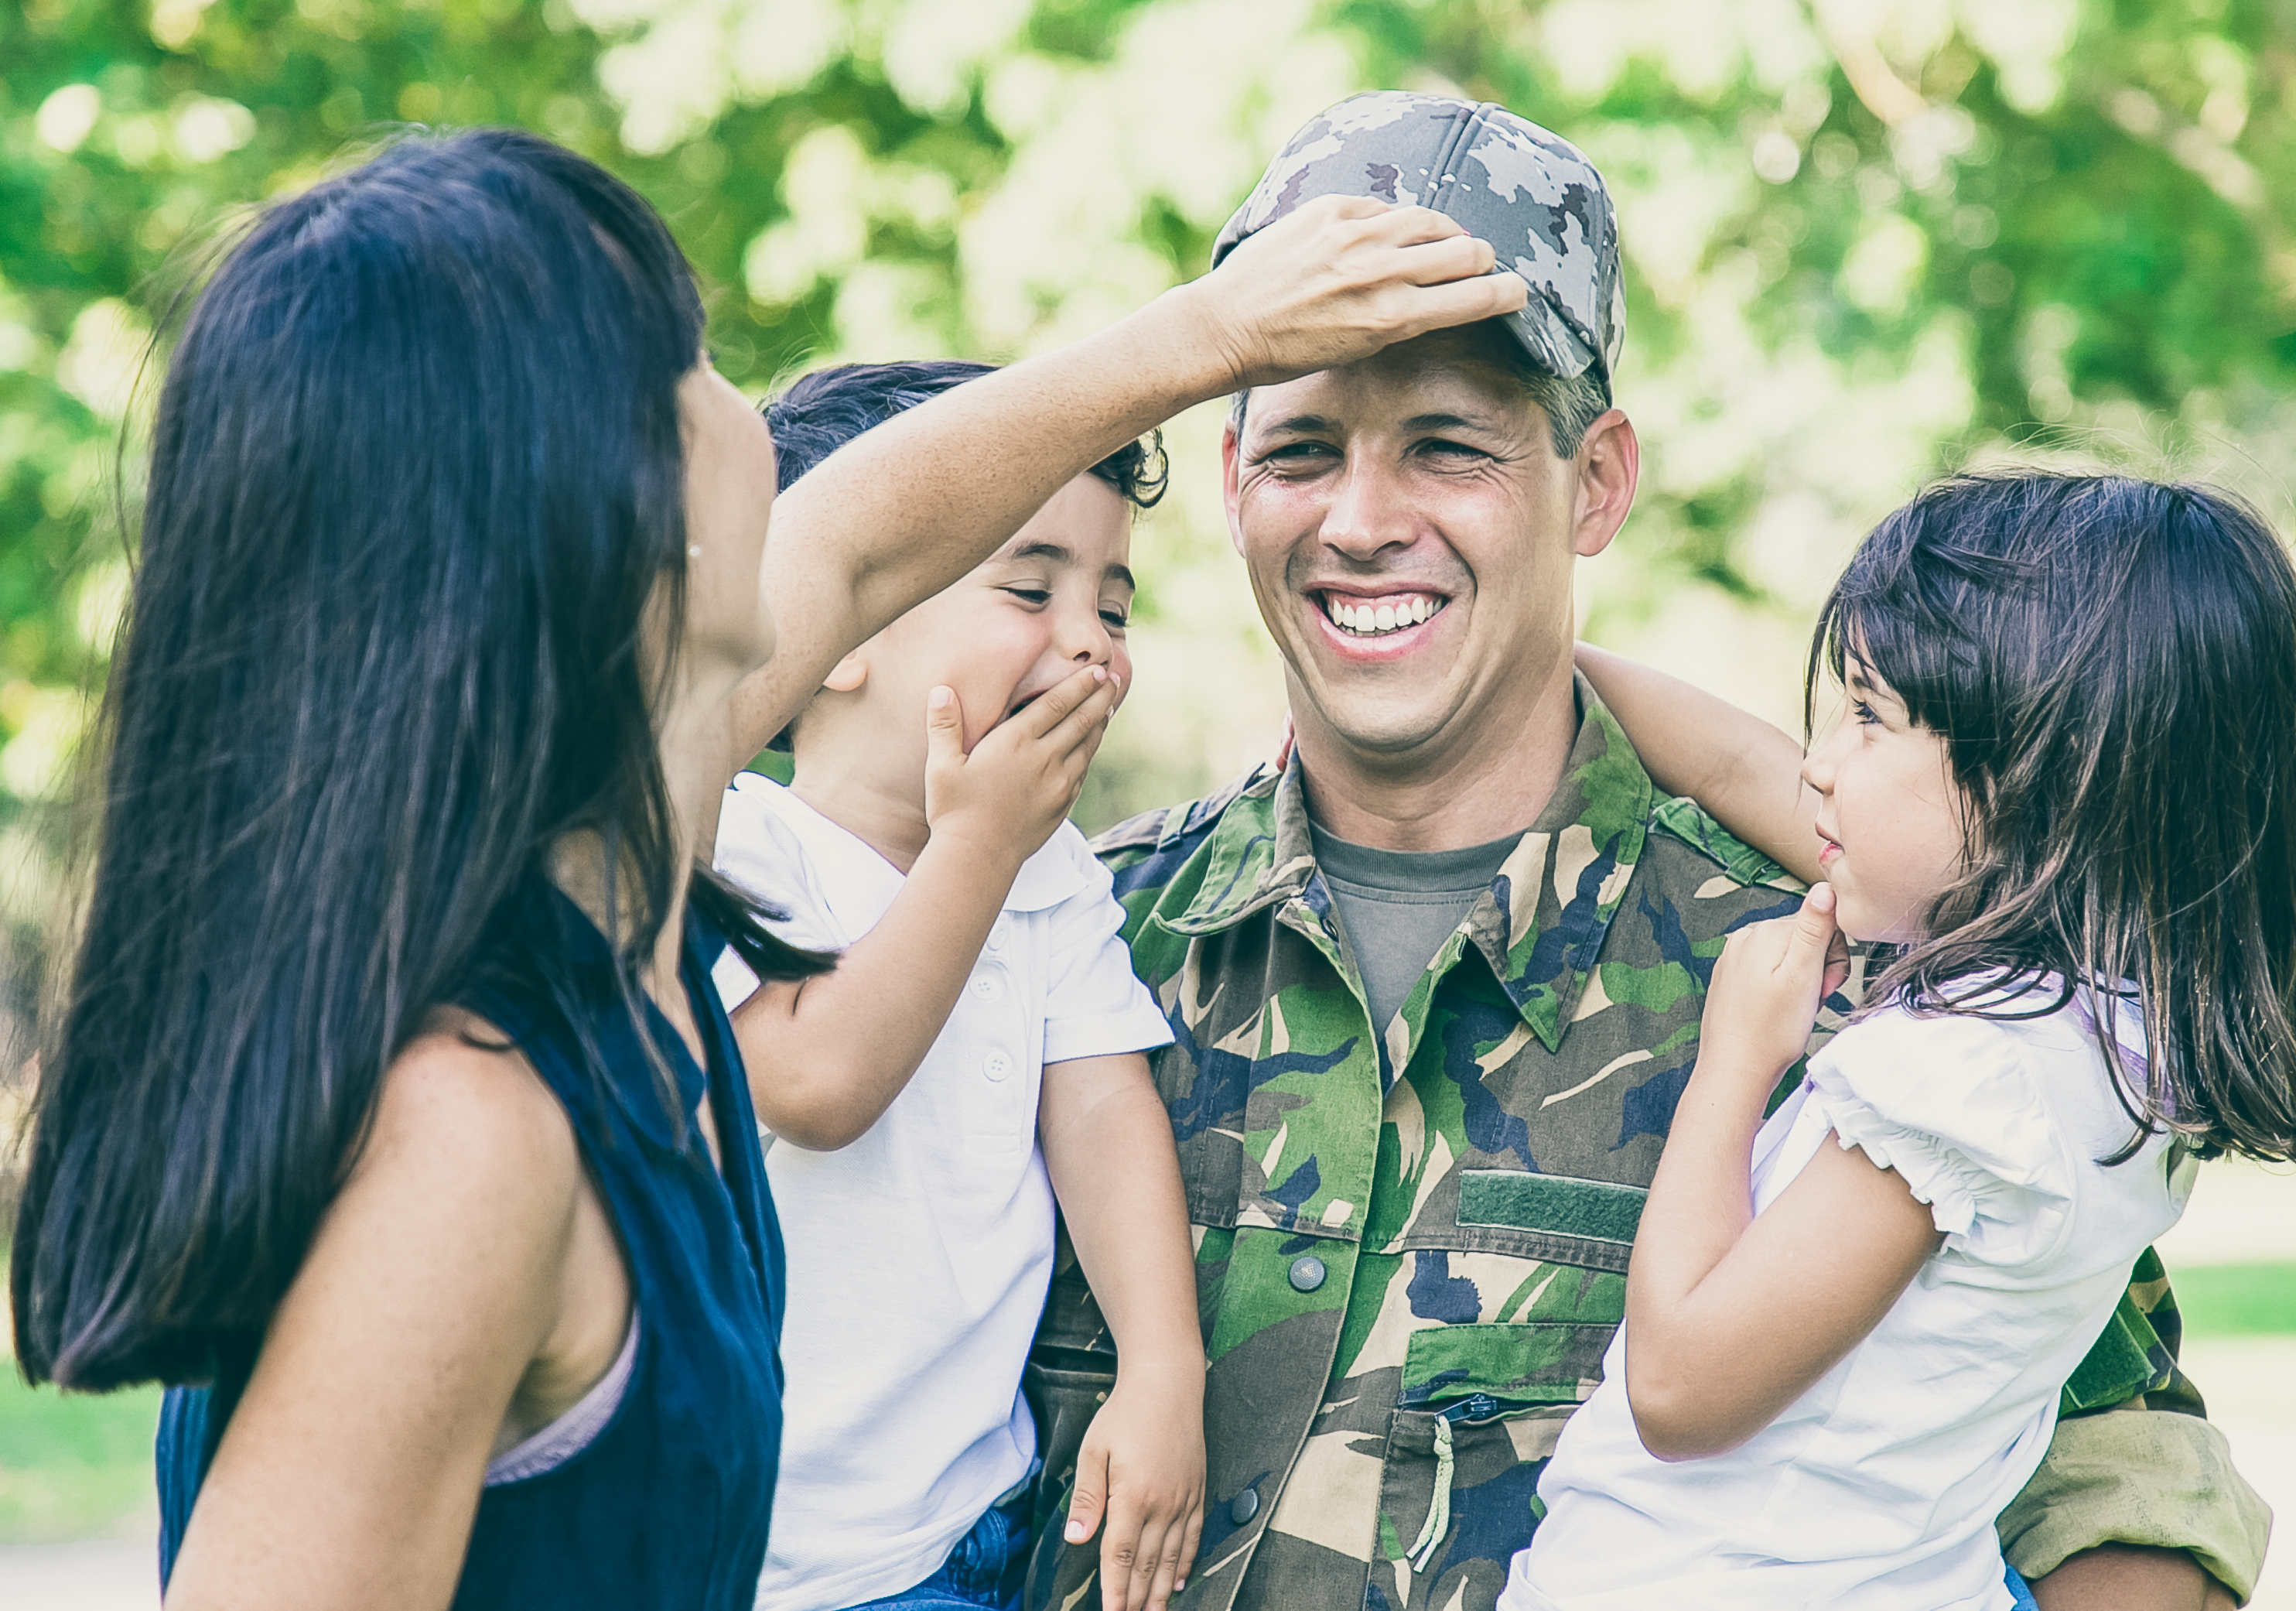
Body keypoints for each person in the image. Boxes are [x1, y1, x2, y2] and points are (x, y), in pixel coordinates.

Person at [5, 122, 1522, 1609]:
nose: (744, 403)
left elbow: (866, 545)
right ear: (616, 517)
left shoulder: (614, 878)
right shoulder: (458, 1138)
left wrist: (1217, 336)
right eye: (689, 363)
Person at [1022, 93, 2274, 1611]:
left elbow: (2116, 1481)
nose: (1359, 519)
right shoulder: (1067, 942)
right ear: (1228, 486)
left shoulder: (1868, 987)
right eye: (1299, 447)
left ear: (1597, 481)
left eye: (1444, 445)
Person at [1506, 473, 2296, 1609]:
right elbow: (1740, 766)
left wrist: (1735, 1060)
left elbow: (1682, 1386)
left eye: (1870, 716)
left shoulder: (1964, 1078)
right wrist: (1520, 668)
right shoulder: (2109, 1031)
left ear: (2045, 780)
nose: (1821, 761)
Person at [713, 361, 1200, 1611]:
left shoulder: (1053, 876)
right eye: (1030, 588)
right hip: (764, 1559)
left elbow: (1100, 1109)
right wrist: (976, 846)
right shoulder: (735, 851)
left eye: (1114, 606)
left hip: (959, 1538)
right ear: (833, 636)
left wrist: (1163, 1365)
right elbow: (819, 1082)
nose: (1087, 638)